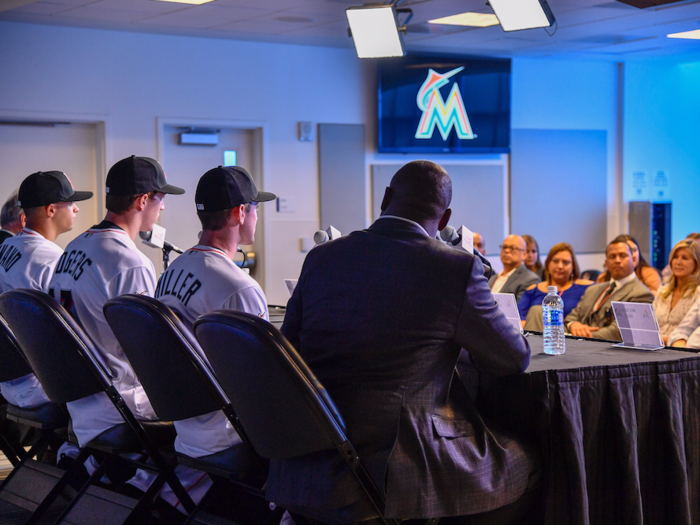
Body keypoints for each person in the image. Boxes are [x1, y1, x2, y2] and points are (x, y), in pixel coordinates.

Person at [271, 161, 539, 524]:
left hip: (312, 454)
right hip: (399, 462)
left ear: (385, 198)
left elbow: (286, 350)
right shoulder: (455, 267)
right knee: (530, 460)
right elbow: (514, 358)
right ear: (444, 220)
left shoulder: (321, 257)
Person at [48, 156, 184, 449]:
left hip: (81, 401)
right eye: (160, 198)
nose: (163, 206)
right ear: (142, 200)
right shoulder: (131, 262)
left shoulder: (74, 246)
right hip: (121, 403)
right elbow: (151, 356)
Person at [155, 165, 275, 458]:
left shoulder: (172, 271)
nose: (258, 216)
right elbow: (264, 383)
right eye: (255, 207)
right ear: (239, 213)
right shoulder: (239, 287)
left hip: (187, 426)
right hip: (226, 433)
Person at [0, 171, 92, 409]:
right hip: (43, 382)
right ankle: (74, 447)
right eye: (70, 203)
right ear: (50, 210)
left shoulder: (7, 246)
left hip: (9, 377)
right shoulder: (51, 258)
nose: (76, 209)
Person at [565, 239, 654, 340]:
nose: (617, 260)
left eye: (623, 255)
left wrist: (580, 335)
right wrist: (574, 325)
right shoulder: (592, 290)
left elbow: (618, 332)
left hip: (611, 351)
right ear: (606, 263)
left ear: (633, 260)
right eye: (612, 256)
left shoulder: (642, 294)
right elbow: (570, 318)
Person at [517, 242, 593, 331]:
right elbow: (518, 319)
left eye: (566, 262)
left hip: (567, 336)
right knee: (536, 311)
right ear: (548, 264)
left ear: (573, 266)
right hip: (534, 332)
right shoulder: (533, 290)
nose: (560, 266)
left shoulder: (586, 288)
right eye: (555, 261)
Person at [652, 239, 700, 345]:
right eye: (675, 257)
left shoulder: (698, 294)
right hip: (652, 347)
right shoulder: (663, 291)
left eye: (685, 258)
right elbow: (649, 325)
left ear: (696, 263)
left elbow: (691, 334)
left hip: (680, 351)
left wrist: (661, 340)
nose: (678, 262)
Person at [488, 234, 540, 302]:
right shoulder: (492, 278)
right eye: (504, 247)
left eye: (512, 248)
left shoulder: (530, 279)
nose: (506, 251)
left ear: (524, 254)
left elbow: (520, 309)